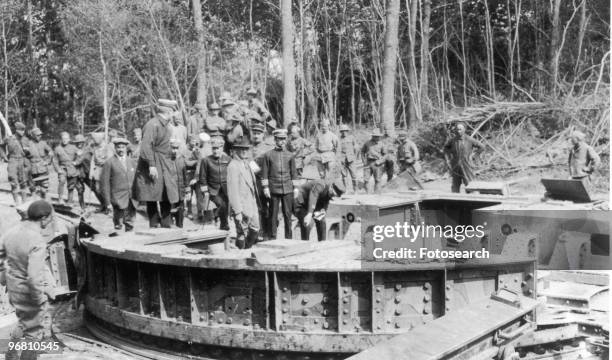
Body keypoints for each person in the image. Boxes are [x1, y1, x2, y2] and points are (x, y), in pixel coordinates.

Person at [0, 200, 58, 360]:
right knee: (35, 333)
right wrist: (39, 298)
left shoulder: (10, 233)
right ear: (43, 218)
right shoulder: (36, 240)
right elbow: (34, 276)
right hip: (30, 292)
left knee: (23, 323)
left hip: (15, 290)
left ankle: (10, 356)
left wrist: (6, 280)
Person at [133, 99, 181, 228]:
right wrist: (152, 165)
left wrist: (173, 152)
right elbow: (146, 146)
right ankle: (154, 224)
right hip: (154, 163)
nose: (174, 115)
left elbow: (165, 146)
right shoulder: (152, 124)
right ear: (168, 111)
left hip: (165, 163)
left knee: (166, 193)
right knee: (152, 195)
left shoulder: (166, 126)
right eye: (173, 112)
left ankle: (166, 224)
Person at [261, 129, 298, 240]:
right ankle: (273, 237)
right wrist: (266, 187)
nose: (282, 141)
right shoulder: (268, 155)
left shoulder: (290, 155)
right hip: (273, 189)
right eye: (279, 139)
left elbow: (294, 173)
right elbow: (265, 173)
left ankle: (289, 238)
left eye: (283, 139)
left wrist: (295, 187)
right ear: (275, 139)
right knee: (273, 214)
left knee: (288, 214)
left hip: (287, 189)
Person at [227, 138, 260, 249]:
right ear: (235, 150)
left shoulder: (247, 163)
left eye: (246, 149)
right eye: (241, 149)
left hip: (252, 203)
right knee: (242, 232)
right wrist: (237, 211)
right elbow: (233, 191)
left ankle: (247, 248)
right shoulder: (233, 166)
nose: (244, 151)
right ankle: (241, 251)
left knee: (255, 228)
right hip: (242, 205)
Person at [100, 138, 137, 231]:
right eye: (118, 147)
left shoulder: (131, 162)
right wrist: (107, 202)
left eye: (123, 147)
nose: (121, 149)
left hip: (131, 199)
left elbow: (136, 181)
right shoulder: (109, 162)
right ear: (115, 148)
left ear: (126, 148)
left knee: (130, 224)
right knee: (118, 226)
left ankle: (129, 243)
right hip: (118, 199)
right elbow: (104, 184)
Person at [199, 138, 231, 230]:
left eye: (217, 148)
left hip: (226, 188)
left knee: (226, 205)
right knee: (221, 204)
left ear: (222, 148)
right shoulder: (206, 160)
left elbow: (232, 173)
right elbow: (203, 177)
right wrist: (205, 192)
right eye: (213, 148)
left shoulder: (228, 159)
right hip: (213, 189)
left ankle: (222, 224)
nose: (215, 151)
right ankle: (224, 223)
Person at [443, 122, 484, 193]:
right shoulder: (452, 140)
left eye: (460, 129)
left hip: (466, 165)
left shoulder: (469, 139)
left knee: (469, 184)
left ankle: (472, 200)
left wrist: (475, 155)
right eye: (457, 129)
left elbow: (482, 147)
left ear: (464, 129)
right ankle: (455, 200)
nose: (458, 131)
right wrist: (448, 159)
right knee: (455, 185)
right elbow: (445, 149)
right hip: (455, 165)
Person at [251, 123, 274, 239]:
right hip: (253, 181)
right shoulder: (248, 148)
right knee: (258, 207)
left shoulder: (268, 148)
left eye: (258, 134)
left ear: (263, 135)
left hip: (266, 180)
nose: (256, 136)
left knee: (269, 207)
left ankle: (269, 230)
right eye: (254, 133)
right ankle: (261, 231)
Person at [4, 122, 31, 205]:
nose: (23, 132)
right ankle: (16, 202)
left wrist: (27, 151)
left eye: (23, 130)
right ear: (16, 130)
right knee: (13, 180)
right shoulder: (9, 138)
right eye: (21, 130)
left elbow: (29, 153)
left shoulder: (25, 139)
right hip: (12, 160)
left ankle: (24, 201)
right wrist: (3, 156)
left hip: (22, 160)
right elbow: (1, 146)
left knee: (23, 181)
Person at [53, 132, 80, 205]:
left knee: (71, 185)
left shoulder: (74, 147)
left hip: (71, 168)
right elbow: (55, 161)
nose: (64, 140)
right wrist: (58, 169)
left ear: (69, 139)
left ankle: (70, 201)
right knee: (61, 181)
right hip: (62, 168)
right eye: (63, 139)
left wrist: (76, 162)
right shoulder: (57, 148)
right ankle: (60, 199)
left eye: (66, 139)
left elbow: (80, 156)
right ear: (61, 139)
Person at [27, 127, 53, 200]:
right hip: (32, 168)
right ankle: (34, 202)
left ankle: (44, 201)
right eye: (37, 135)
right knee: (32, 187)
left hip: (42, 168)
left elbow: (51, 152)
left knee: (44, 186)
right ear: (33, 135)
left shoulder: (43, 143)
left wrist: (48, 161)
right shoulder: (28, 144)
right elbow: (24, 155)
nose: (39, 136)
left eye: (40, 135)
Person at [89, 132, 114, 211]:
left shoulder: (108, 148)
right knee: (97, 189)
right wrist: (91, 171)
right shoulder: (95, 148)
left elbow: (110, 160)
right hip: (98, 171)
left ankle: (109, 206)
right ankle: (103, 204)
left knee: (106, 189)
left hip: (106, 170)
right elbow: (93, 160)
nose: (94, 140)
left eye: (95, 139)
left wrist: (101, 162)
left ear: (100, 139)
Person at [170, 140, 189, 228]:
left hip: (180, 189)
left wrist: (187, 190)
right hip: (170, 189)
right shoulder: (167, 160)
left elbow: (185, 176)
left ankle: (180, 225)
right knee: (170, 208)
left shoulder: (181, 160)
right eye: (173, 148)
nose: (175, 150)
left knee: (180, 208)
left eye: (176, 148)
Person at [184, 135, 201, 220]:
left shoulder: (197, 150)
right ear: (189, 141)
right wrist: (196, 161)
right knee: (189, 194)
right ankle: (189, 212)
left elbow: (201, 161)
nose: (194, 143)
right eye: (192, 141)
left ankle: (200, 212)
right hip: (188, 174)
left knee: (198, 194)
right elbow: (186, 162)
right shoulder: (185, 150)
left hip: (196, 175)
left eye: (195, 141)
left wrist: (197, 154)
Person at [338, 124, 358, 193]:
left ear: (347, 131)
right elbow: (337, 150)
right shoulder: (339, 139)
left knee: (354, 175)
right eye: (342, 131)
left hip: (351, 159)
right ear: (340, 132)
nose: (344, 132)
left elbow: (356, 147)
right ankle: (345, 190)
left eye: (345, 131)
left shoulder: (352, 138)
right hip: (342, 160)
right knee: (344, 176)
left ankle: (355, 190)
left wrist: (354, 156)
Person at [71, 134, 88, 210]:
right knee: (80, 189)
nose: (79, 144)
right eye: (78, 142)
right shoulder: (73, 150)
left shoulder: (86, 150)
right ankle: (82, 206)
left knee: (96, 189)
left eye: (81, 142)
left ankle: (105, 206)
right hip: (76, 173)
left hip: (86, 173)